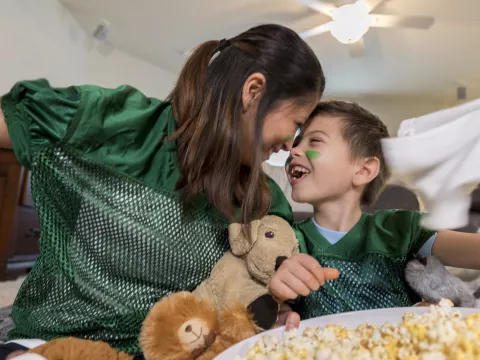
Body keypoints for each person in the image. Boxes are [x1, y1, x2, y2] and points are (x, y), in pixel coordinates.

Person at [0, 24, 327, 358]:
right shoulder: (118, 123)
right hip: (53, 343)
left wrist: (274, 308)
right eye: (296, 124)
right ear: (253, 91)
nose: (291, 144)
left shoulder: (263, 201)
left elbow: (249, 294)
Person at [269, 100, 480, 319]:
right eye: (297, 142)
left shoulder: (399, 228)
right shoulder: (285, 238)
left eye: (314, 141)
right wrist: (278, 304)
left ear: (364, 170)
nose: (293, 150)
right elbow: (267, 309)